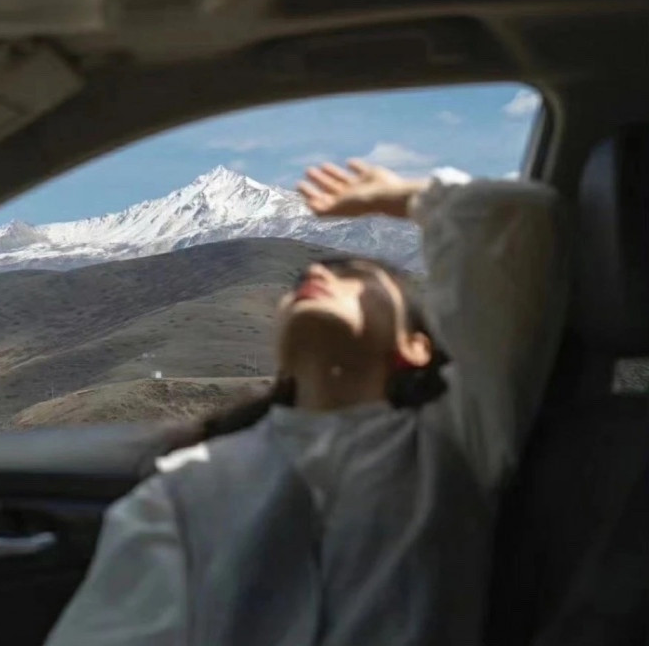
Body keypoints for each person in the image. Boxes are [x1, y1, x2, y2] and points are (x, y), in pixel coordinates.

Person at [45, 160, 568, 646]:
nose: (317, 274)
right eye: (298, 281)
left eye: (354, 275)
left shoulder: (451, 441)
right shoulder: (188, 482)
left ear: (416, 347)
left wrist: (402, 197)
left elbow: (516, 214)